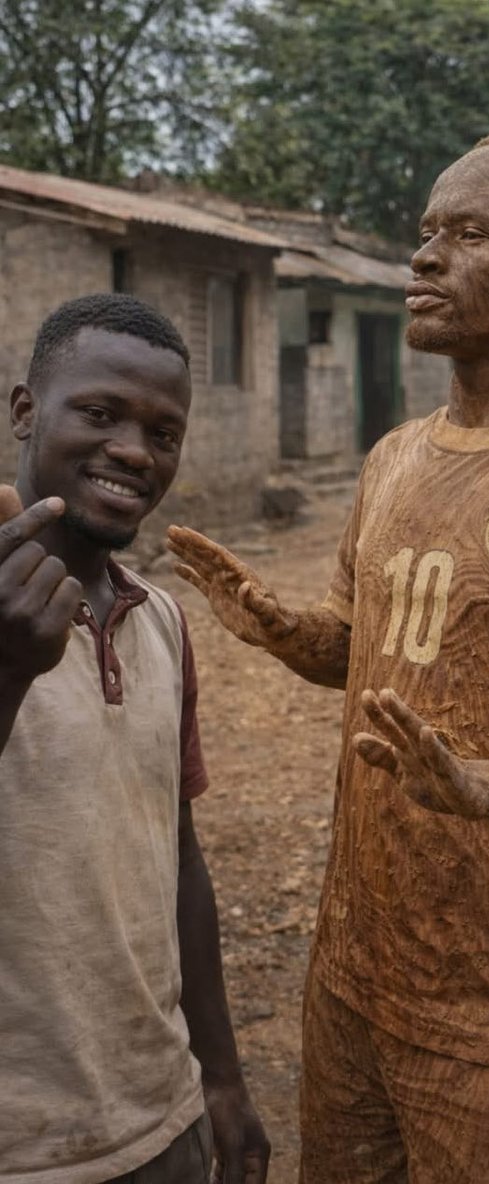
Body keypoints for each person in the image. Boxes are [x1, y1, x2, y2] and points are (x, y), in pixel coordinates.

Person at [167, 134, 489, 1181]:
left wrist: (485, 786)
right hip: (355, 980)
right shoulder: (394, 458)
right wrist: (283, 628)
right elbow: (366, 649)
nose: (425, 257)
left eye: (469, 234)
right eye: (426, 233)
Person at [0, 295, 269, 1182]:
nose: (133, 451)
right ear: (25, 411)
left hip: (162, 1122)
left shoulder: (162, 624)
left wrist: (220, 1079)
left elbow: (178, 856)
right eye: (102, 413)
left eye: (164, 432)